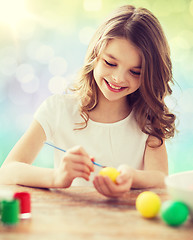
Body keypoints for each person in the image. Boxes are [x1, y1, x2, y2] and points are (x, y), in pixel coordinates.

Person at [0, 5, 176, 198]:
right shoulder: (58, 109)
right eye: (110, 63)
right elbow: (7, 171)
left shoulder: (148, 120)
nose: (118, 78)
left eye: (135, 72)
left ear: (149, 76)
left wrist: (132, 178)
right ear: (95, 55)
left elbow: (162, 179)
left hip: (129, 225)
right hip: (70, 224)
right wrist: (56, 177)